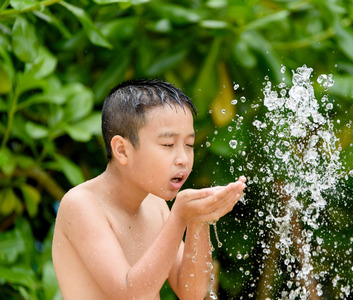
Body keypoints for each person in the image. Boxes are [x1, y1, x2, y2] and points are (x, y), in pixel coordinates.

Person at [52, 79, 246, 300]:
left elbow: (191, 292)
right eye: (168, 145)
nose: (183, 159)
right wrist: (179, 216)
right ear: (122, 150)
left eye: (189, 145)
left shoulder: (155, 205)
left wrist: (198, 221)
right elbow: (130, 293)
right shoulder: (81, 204)